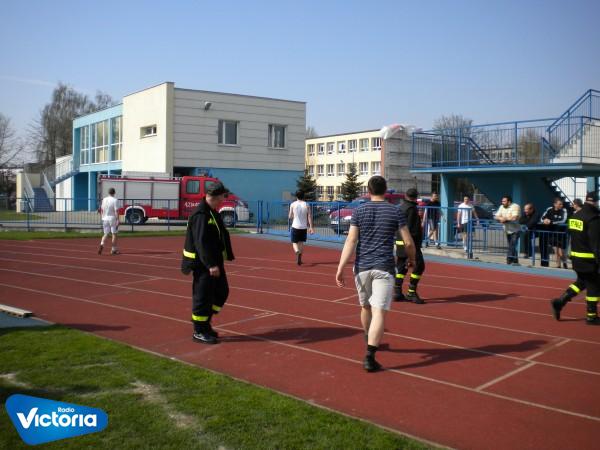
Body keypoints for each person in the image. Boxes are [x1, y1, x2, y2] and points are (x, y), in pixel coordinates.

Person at [335, 176, 415, 372]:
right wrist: (412, 259)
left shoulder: (359, 211)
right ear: (385, 190)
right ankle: (370, 357)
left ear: (368, 190)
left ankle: (368, 336)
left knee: (365, 307)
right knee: (379, 311)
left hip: (362, 267)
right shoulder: (395, 211)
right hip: (384, 267)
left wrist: (340, 267)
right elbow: (408, 242)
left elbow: (351, 241)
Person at [181, 181, 235, 344]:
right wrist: (211, 265)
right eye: (223, 196)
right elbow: (201, 243)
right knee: (203, 296)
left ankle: (205, 324)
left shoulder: (211, 212)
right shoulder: (201, 214)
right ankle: (199, 330)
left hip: (214, 261)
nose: (224, 199)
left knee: (221, 291)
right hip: (203, 264)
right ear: (216, 196)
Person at [551, 192, 600, 325]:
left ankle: (560, 302)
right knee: (594, 286)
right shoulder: (593, 219)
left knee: (581, 282)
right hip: (589, 260)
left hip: (576, 258)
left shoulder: (575, 216)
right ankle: (591, 316)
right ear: (596, 202)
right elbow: (596, 243)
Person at [395, 188, 426, 304]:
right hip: (410, 244)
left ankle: (397, 291)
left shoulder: (401, 207)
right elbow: (413, 230)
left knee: (401, 267)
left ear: (405, 195)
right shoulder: (412, 209)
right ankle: (411, 292)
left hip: (400, 242)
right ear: (416, 197)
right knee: (419, 266)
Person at [288, 190, 314, 265]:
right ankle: (299, 258)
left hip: (295, 226)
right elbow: (309, 216)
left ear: (296, 196)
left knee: (294, 242)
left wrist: (293, 216)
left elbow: (290, 216)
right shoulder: (307, 204)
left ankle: (296, 251)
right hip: (303, 227)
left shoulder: (293, 204)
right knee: (301, 243)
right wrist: (311, 227)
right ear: (303, 196)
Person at [541, 198, 568, 268]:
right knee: (556, 251)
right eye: (559, 204)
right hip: (552, 233)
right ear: (555, 204)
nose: (561, 205)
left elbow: (563, 220)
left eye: (562, 204)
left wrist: (551, 222)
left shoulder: (564, 210)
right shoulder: (549, 209)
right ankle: (558, 265)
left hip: (561, 233)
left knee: (561, 252)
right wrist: (544, 221)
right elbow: (542, 218)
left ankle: (565, 262)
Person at [495, 195, 521, 265]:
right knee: (511, 246)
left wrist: (505, 219)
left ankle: (508, 260)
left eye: (504, 201)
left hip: (515, 230)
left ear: (509, 202)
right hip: (507, 230)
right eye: (502, 201)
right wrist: (501, 218)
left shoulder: (515, 206)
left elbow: (515, 217)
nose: (502, 202)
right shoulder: (501, 207)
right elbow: (496, 216)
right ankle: (515, 261)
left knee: (512, 245)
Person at [98, 188, 120, 255]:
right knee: (114, 234)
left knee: (106, 233)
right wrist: (118, 219)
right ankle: (113, 249)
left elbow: (102, 209)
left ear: (108, 192)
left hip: (105, 218)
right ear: (114, 193)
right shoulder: (115, 200)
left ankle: (102, 244)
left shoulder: (104, 199)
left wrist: (102, 217)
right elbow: (116, 211)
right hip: (112, 218)